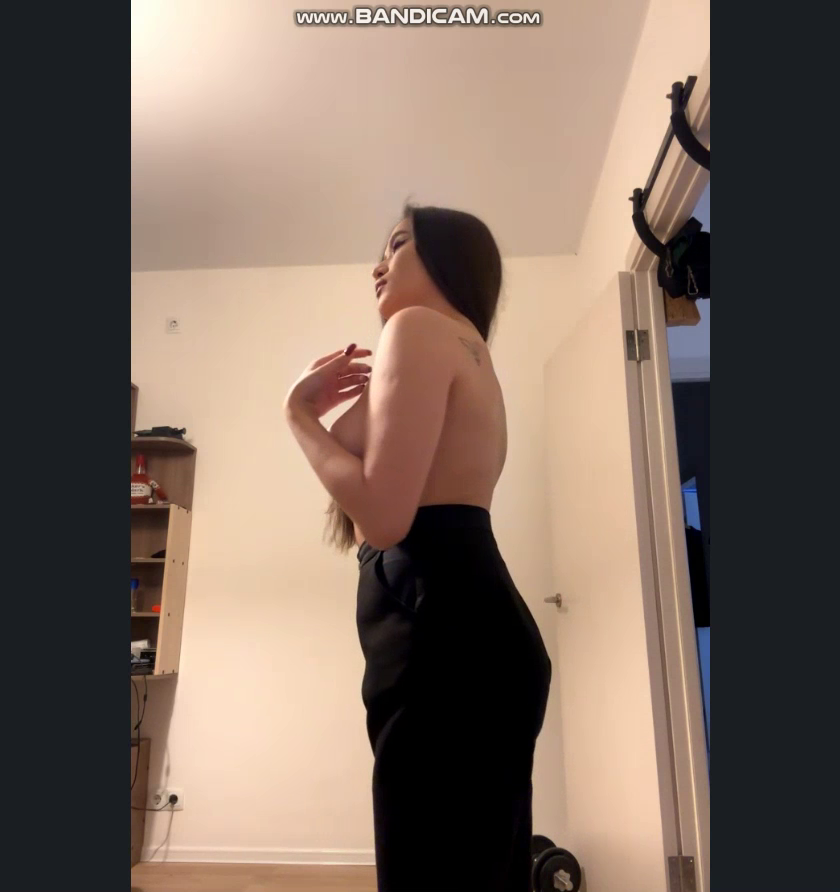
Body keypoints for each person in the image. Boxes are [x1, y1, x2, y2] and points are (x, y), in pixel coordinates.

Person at [284, 203, 552, 891]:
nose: (377, 265)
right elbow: (365, 476)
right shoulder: (469, 350)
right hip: (476, 625)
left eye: (397, 244)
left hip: (439, 630)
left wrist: (296, 412)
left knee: (427, 867)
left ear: (447, 257)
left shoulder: (416, 328)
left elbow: (380, 516)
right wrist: (327, 416)